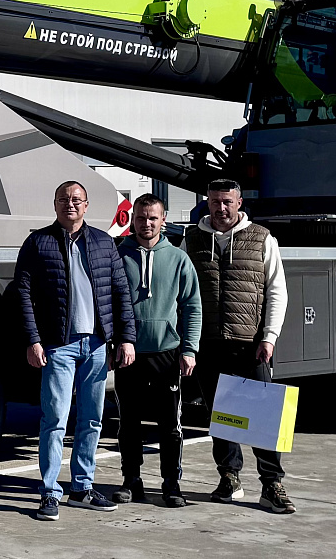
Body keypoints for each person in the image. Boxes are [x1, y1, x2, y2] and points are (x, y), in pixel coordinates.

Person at [16, 179, 137, 521]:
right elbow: (22, 294)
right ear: (54, 205)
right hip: (58, 346)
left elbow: (120, 292)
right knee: (54, 420)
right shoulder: (38, 243)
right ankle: (51, 492)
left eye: (77, 200)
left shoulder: (102, 243)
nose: (70, 204)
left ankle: (82, 489)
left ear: (87, 206)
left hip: (97, 345)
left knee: (92, 420)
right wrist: (33, 339)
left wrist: (126, 338)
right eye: (64, 199)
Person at [185, 178, 295, 514]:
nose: (220, 208)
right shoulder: (191, 239)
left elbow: (277, 290)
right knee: (222, 416)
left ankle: (272, 484)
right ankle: (229, 477)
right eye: (215, 201)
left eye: (227, 202)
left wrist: (269, 337)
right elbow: (183, 291)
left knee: (265, 417)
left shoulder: (262, 238)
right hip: (209, 342)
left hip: (250, 343)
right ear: (208, 201)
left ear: (239, 202)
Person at [112, 194, 201, 508]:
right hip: (129, 352)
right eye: (140, 217)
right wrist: (116, 341)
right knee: (129, 422)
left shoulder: (178, 259)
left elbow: (192, 307)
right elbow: (107, 304)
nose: (146, 224)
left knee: (169, 423)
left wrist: (189, 349)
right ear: (132, 219)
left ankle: (171, 485)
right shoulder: (118, 256)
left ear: (163, 220)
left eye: (153, 218)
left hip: (167, 353)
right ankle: (131, 481)